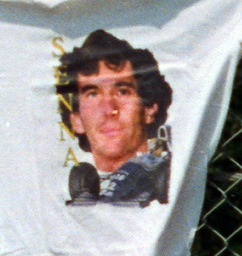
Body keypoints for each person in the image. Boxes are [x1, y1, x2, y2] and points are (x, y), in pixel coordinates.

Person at [58, 30, 173, 206]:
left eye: (122, 91)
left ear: (149, 108)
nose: (109, 109)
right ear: (77, 120)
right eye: (92, 94)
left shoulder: (174, 181)